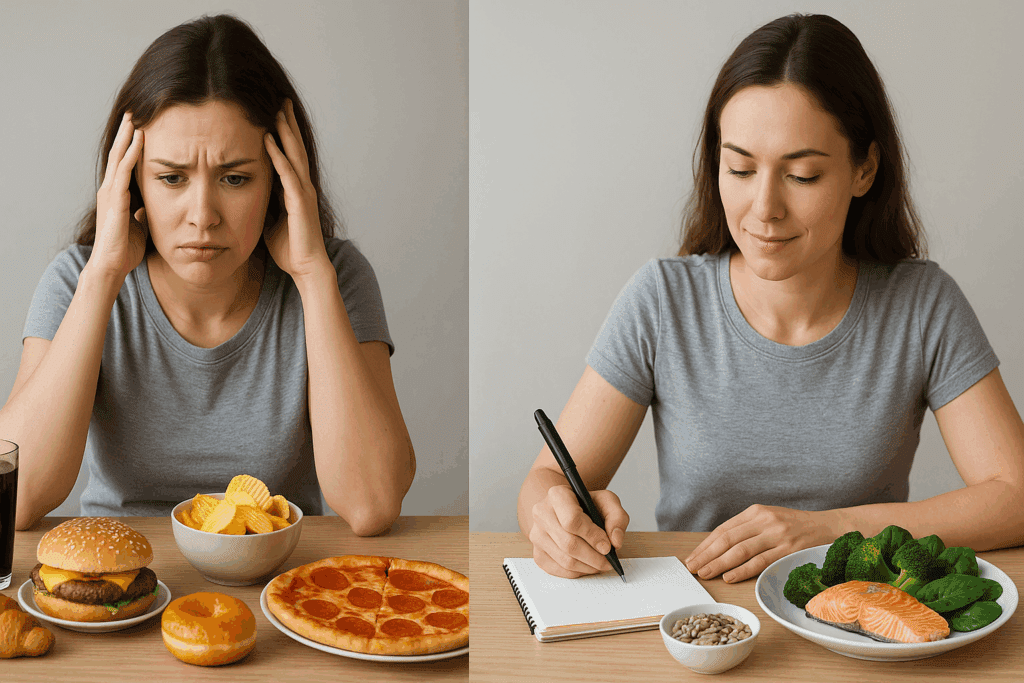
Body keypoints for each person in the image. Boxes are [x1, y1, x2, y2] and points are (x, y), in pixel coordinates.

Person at [517, 13, 1024, 582]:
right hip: (700, 621)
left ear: (865, 169)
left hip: (857, 627)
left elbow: (1015, 494)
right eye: (739, 168)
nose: (763, 208)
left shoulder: (922, 305)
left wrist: (834, 528)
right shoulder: (662, 300)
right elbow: (545, 481)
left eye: (802, 175)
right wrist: (555, 520)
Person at [3, 14, 415, 535]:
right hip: (123, 581)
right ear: (130, 183)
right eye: (171, 178)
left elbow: (373, 504)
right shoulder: (75, 280)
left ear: (281, 183)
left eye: (236, 178)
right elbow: (14, 502)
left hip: (283, 580)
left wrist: (313, 274)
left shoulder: (338, 277)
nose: (203, 215)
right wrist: (103, 275)